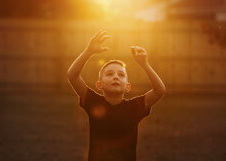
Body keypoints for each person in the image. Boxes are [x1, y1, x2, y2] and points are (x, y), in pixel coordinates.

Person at [67, 29, 166, 161]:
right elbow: (72, 76)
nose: (115, 77)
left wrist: (145, 64)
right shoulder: (93, 101)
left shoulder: (134, 107)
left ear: (127, 86)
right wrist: (88, 51)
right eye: (109, 74)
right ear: (99, 85)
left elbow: (160, 90)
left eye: (121, 75)